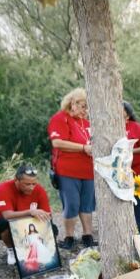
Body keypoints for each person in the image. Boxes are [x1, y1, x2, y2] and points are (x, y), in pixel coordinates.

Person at [48, 88, 96, 250]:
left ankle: (87, 235)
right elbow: (57, 143)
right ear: (73, 103)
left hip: (88, 170)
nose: (85, 111)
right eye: (83, 106)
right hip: (68, 170)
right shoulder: (60, 118)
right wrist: (83, 148)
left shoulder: (86, 123)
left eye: (87, 108)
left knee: (87, 204)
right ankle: (69, 237)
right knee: (72, 204)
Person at [0, 164, 54, 266]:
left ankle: (34, 250)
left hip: (29, 224)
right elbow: (7, 215)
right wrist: (30, 212)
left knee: (53, 229)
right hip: (6, 224)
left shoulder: (39, 190)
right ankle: (11, 250)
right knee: (4, 223)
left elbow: (47, 215)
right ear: (16, 180)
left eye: (34, 184)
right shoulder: (3, 188)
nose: (31, 187)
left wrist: (46, 217)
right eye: (27, 184)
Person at [122, 101, 140, 242]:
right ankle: (124, 230)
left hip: (137, 171)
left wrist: (130, 151)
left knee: (137, 200)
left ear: (127, 114)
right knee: (121, 201)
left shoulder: (135, 127)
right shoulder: (111, 127)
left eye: (121, 110)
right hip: (119, 172)